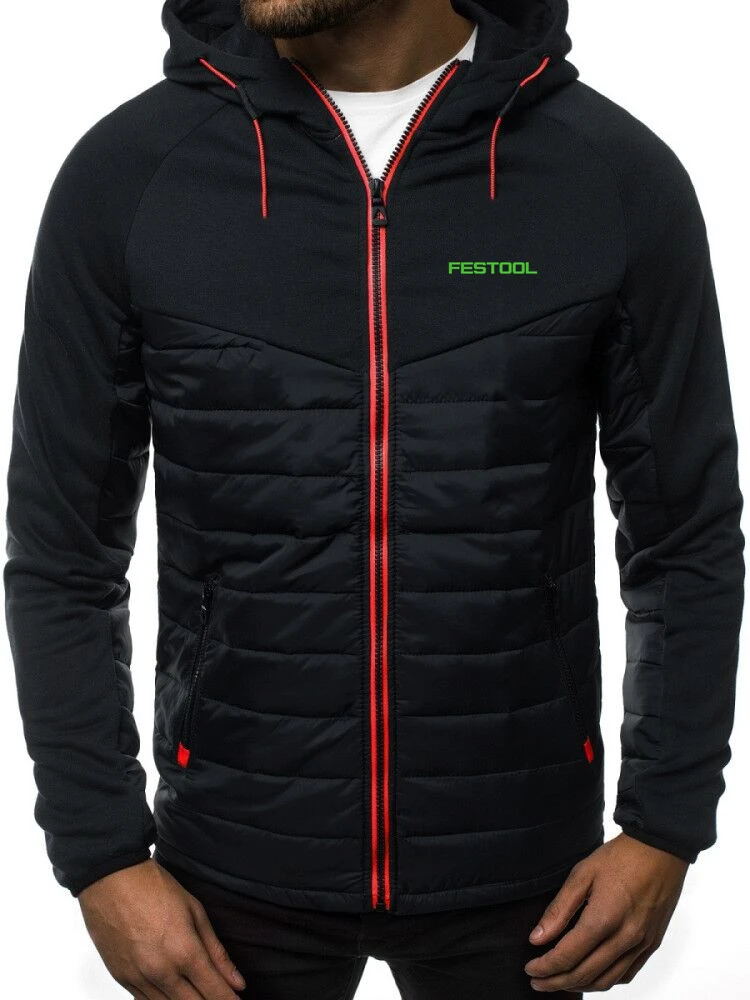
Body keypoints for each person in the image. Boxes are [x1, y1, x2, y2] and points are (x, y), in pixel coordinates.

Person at [4, 0, 744, 996]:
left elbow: (685, 538)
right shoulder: (133, 175)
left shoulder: (608, 177)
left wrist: (665, 824)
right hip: (231, 869)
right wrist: (100, 854)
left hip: (524, 869)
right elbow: (61, 555)